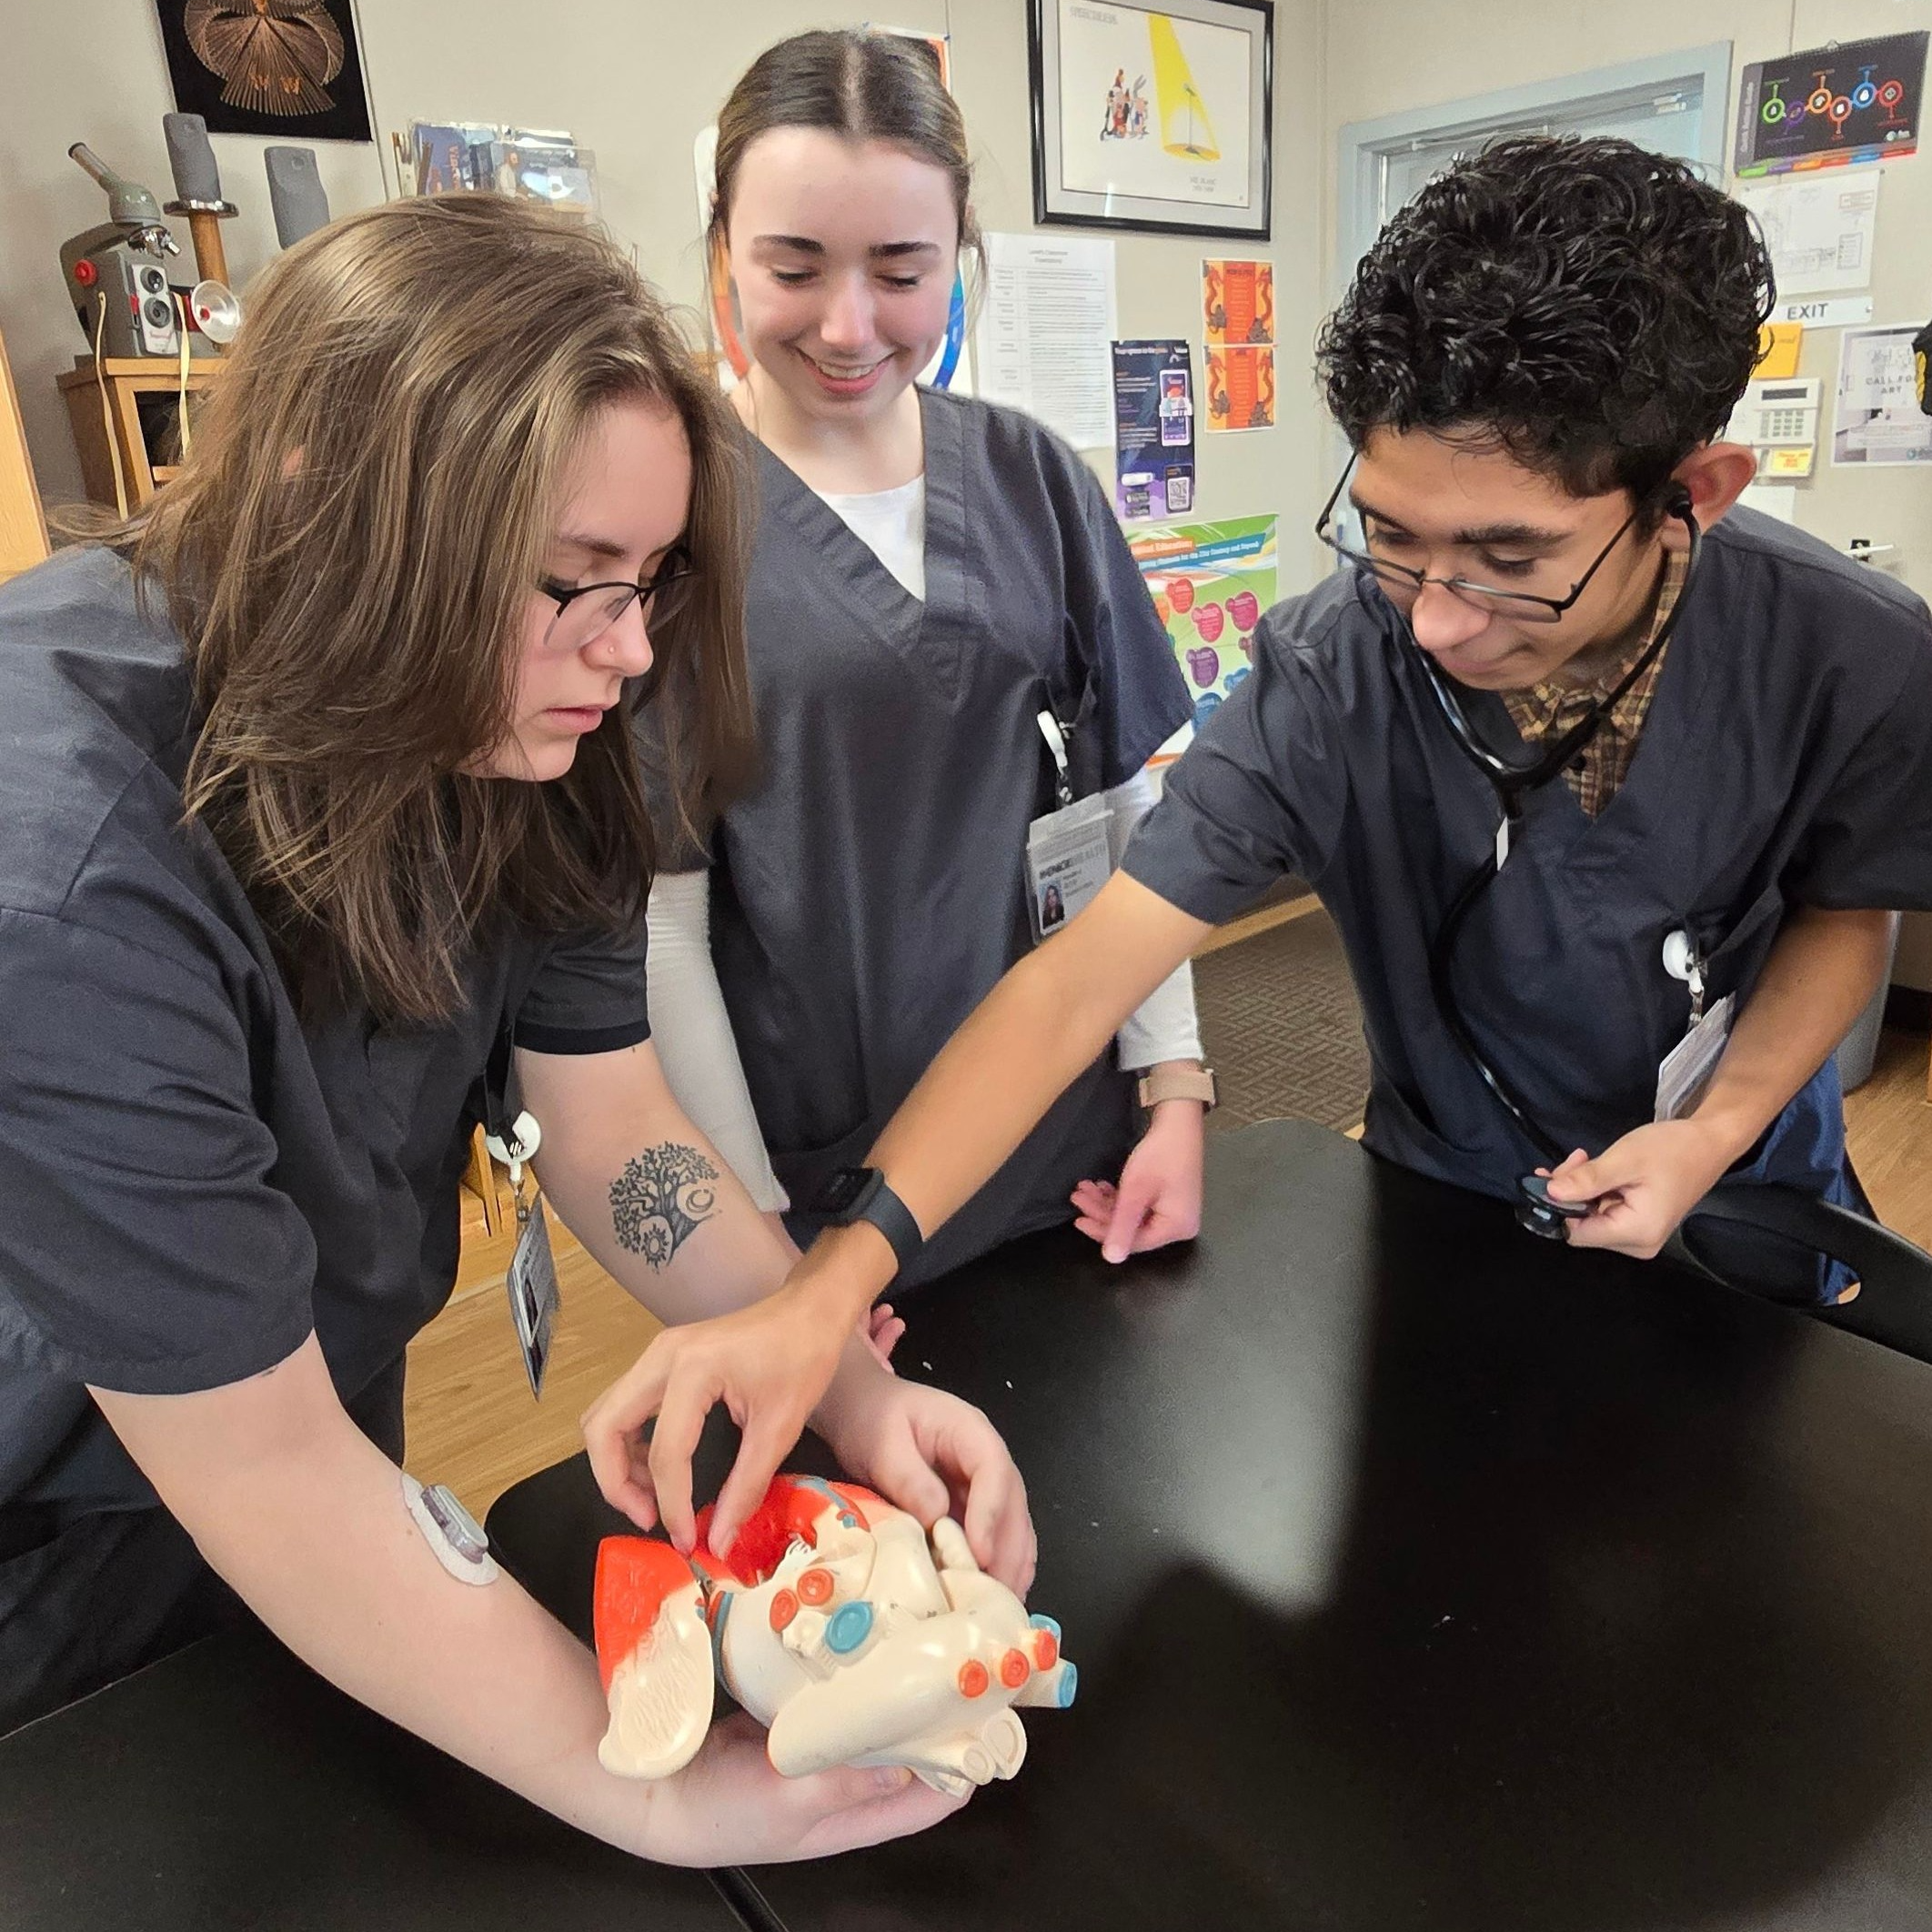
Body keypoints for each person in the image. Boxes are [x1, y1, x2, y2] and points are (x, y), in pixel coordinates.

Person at [586, 135, 1932, 1556]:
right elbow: (1076, 977)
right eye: (1393, 537)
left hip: (1742, 1218)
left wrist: (1712, 1133)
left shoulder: (1851, 655)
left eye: (1511, 561)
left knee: (1746, 1592)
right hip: (1447, 1218)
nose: (1436, 619)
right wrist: (832, 1272)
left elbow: (1850, 903)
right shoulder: (1332, 673)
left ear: (1693, 494)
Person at [0, 193, 1031, 1862]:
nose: (627, 652)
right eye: (572, 585)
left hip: (313, 1410)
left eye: (651, 584)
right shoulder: (60, 868)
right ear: (327, 517)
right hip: (53, 1518)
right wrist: (669, 1797)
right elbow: (258, 1472)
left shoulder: (542, 719)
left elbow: (612, 1123)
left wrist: (836, 1378)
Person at [638, 28, 1211, 1313]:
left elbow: (1134, 816)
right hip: (818, 1190)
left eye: (902, 271)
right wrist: (753, 1238)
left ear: (960, 259)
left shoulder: (1034, 483)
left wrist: (1173, 1083)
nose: (850, 326)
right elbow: (663, 925)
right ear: (722, 252)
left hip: (1073, 1159)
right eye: (794, 267)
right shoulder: (669, 522)